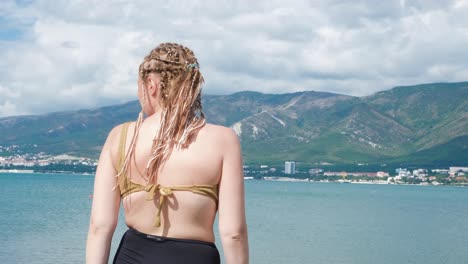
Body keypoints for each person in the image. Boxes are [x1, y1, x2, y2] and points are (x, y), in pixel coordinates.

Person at [86, 42, 249, 264]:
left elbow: (100, 226)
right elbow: (234, 233)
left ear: (151, 85)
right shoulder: (223, 140)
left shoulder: (121, 137)